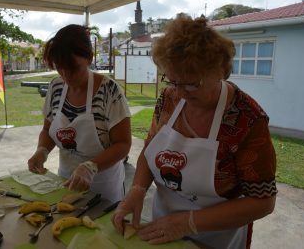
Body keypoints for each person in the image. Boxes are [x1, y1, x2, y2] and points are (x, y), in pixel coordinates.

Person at [112, 15, 277, 248]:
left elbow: (263, 202)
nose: (180, 93)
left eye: (191, 84)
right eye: (172, 81)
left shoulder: (247, 120)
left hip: (216, 237)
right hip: (163, 228)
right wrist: (137, 190)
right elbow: (150, 151)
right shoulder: (169, 100)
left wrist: (188, 222)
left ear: (220, 71)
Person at [28, 24, 131, 202]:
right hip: (65, 180)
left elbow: (123, 144)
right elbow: (48, 130)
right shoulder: (56, 86)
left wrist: (91, 167)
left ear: (89, 58)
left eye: (73, 68)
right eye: (60, 67)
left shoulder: (109, 91)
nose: (66, 75)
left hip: (103, 187)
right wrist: (42, 150)